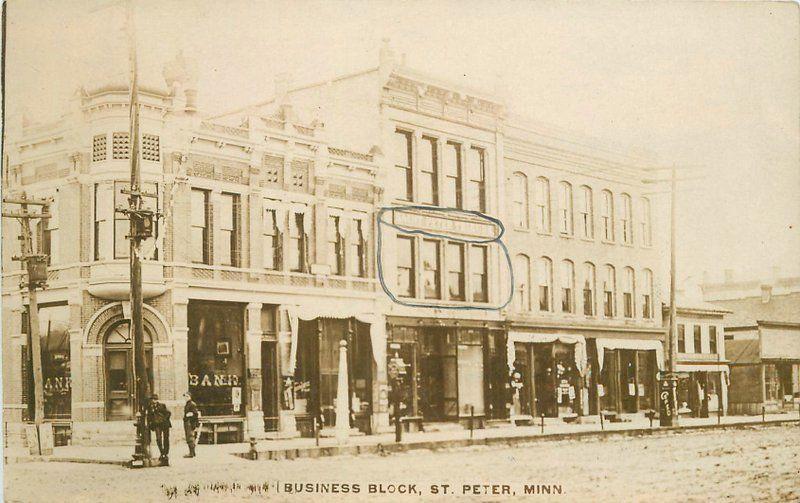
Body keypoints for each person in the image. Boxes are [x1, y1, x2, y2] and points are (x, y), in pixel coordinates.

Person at [146, 393, 172, 466]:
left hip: (164, 424)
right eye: (153, 400)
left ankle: (165, 453)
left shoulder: (162, 405)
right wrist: (150, 424)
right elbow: (149, 417)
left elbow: (168, 413)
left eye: (155, 400)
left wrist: (163, 419)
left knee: (166, 438)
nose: (154, 401)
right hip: (157, 425)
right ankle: (162, 452)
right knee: (158, 439)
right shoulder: (150, 407)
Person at [183, 392, 201, 458]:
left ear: (189, 397)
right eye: (185, 396)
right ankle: (192, 452)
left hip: (190, 422)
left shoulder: (192, 404)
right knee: (189, 437)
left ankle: (192, 453)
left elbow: (195, 413)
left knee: (190, 437)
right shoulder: (188, 404)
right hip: (187, 422)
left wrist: (190, 414)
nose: (185, 398)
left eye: (187, 396)